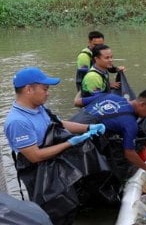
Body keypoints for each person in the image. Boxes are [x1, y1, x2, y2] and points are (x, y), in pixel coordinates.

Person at [4, 67, 107, 224]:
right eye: (44, 89)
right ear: (29, 89)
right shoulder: (18, 121)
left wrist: (88, 128)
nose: (48, 93)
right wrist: (69, 143)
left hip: (55, 166)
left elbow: (60, 124)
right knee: (50, 213)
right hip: (38, 175)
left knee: (68, 206)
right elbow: (35, 156)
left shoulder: (39, 108)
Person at [69, 90, 146, 183]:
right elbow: (129, 153)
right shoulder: (130, 123)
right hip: (79, 145)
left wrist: (80, 92)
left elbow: (77, 102)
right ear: (142, 105)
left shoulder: (109, 96)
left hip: (66, 129)